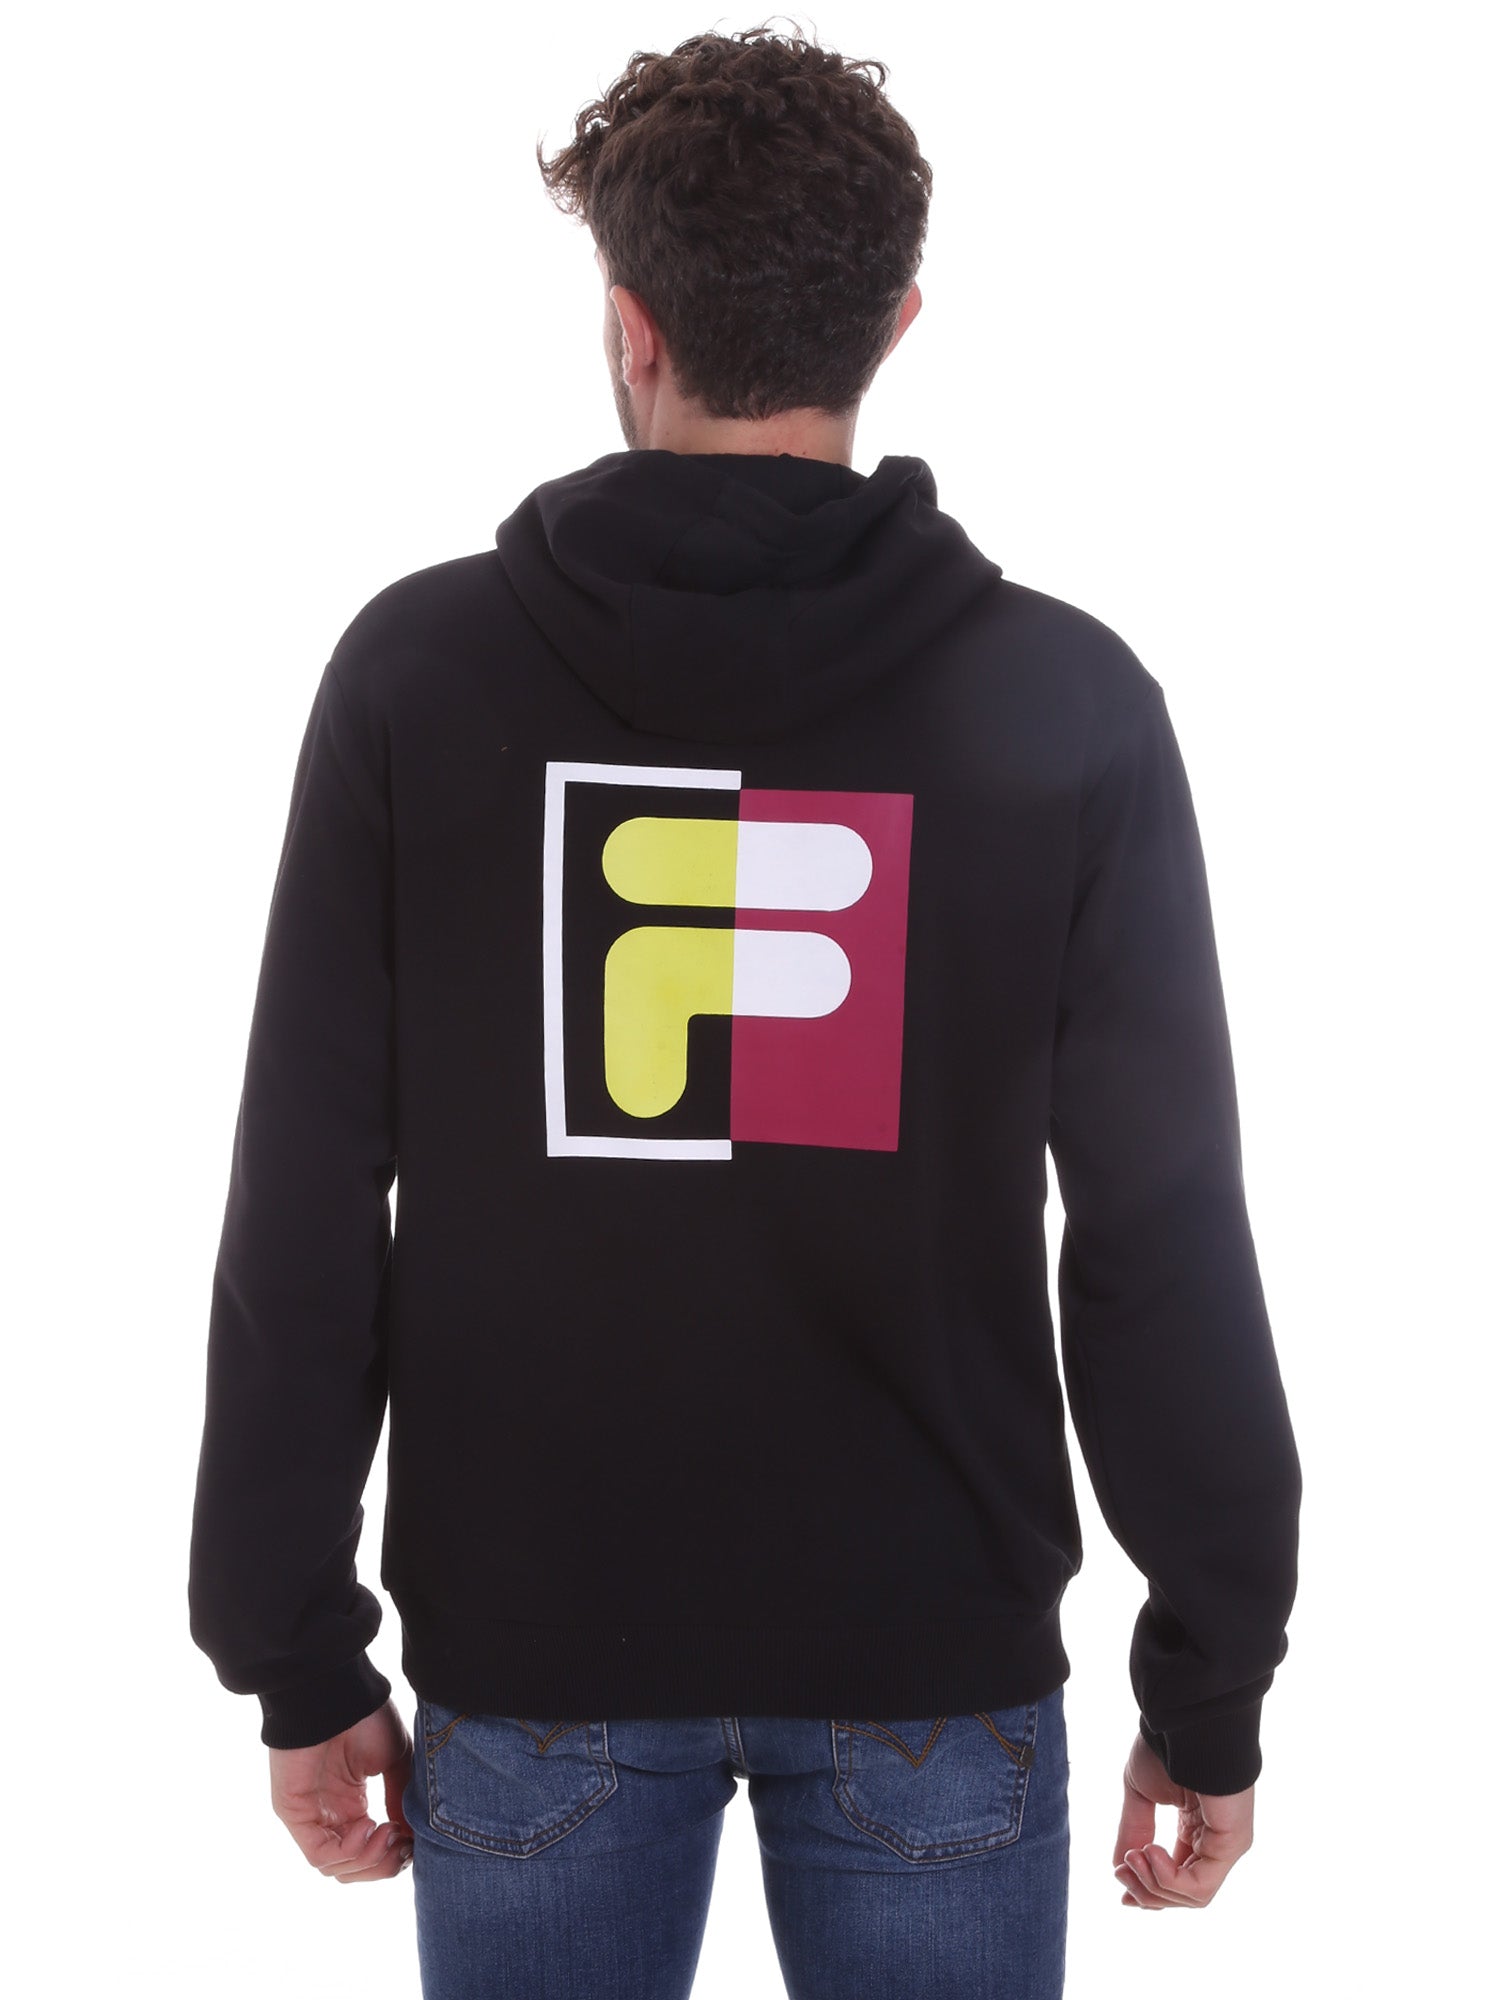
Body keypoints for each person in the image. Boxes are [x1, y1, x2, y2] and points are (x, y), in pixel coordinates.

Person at [188, 20, 1302, 1997]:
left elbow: (303, 1203)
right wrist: (1210, 1674)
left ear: (630, 326)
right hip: (932, 1667)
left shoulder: (419, 681)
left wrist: (293, 1645)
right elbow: (1160, 1237)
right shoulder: (1064, 705)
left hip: (532, 1666)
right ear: (896, 323)